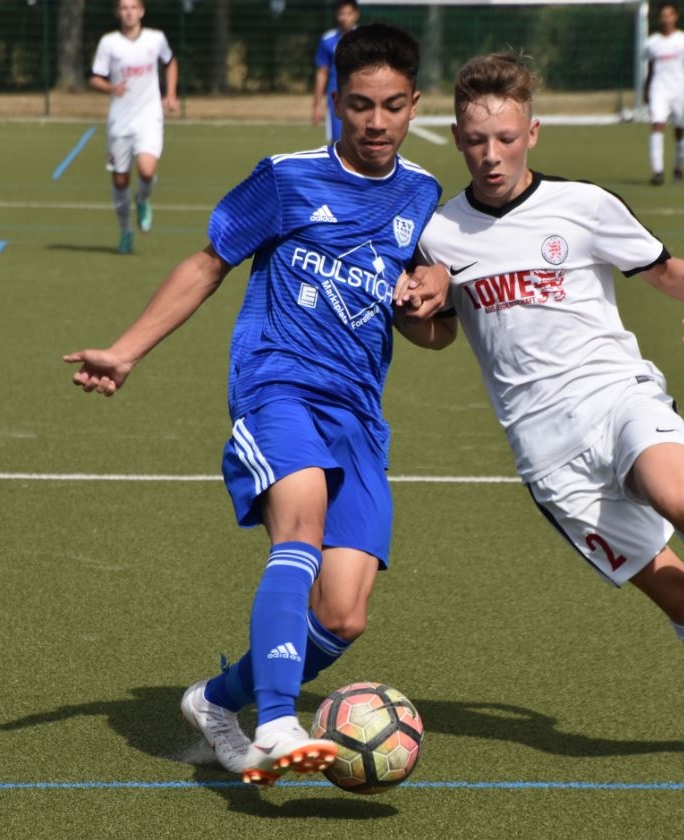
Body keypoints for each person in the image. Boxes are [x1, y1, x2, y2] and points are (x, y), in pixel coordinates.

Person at [401, 53, 684, 768]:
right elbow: (439, 334)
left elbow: (663, 269)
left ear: (532, 133)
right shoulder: (438, 233)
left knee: (680, 498)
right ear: (456, 138)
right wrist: (410, 312)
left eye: (506, 138)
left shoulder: (584, 205)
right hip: (546, 451)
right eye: (476, 140)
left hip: (616, 394)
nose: (491, 154)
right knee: (675, 590)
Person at [65, 23, 445, 786]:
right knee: (298, 521)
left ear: (413, 105)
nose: (376, 122)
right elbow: (208, 265)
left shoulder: (423, 195)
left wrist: (431, 297)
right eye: (360, 104)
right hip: (278, 385)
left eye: (392, 106)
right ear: (335, 102)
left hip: (358, 415)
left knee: (342, 615)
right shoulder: (285, 179)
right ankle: (276, 722)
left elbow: (433, 332)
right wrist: (127, 350)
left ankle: (216, 702)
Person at [90, 0, 179, 254]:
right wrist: (111, 87)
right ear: (117, 12)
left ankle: (141, 199)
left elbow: (171, 62)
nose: (129, 12)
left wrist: (171, 94)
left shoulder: (155, 39)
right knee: (120, 180)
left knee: (147, 171)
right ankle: (125, 231)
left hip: (149, 117)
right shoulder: (109, 43)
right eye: (124, 8)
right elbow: (95, 78)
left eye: (133, 7)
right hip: (120, 121)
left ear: (141, 11)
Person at [643, 2, 684, 185]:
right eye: (663, 15)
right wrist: (646, 89)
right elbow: (651, 69)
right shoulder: (652, 42)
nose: (666, 19)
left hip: (679, 91)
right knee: (657, 125)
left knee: (680, 130)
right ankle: (658, 172)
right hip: (659, 90)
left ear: (675, 17)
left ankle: (678, 167)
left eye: (669, 15)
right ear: (660, 19)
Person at [312, 0, 361, 144]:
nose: (345, 18)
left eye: (348, 13)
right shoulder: (327, 40)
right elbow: (322, 73)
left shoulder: (364, 38)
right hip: (337, 96)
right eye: (341, 14)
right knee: (338, 141)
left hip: (361, 94)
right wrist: (317, 105)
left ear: (356, 14)